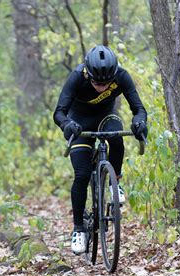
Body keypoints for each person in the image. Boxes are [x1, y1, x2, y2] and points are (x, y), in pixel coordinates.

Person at [53, 45, 148, 254]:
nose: (102, 88)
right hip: (79, 124)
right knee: (82, 174)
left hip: (106, 118)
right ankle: (78, 229)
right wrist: (67, 125)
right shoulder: (77, 77)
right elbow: (59, 112)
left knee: (116, 137)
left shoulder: (122, 76)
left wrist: (140, 122)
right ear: (88, 73)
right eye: (96, 83)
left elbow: (139, 109)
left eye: (106, 84)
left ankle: (115, 181)